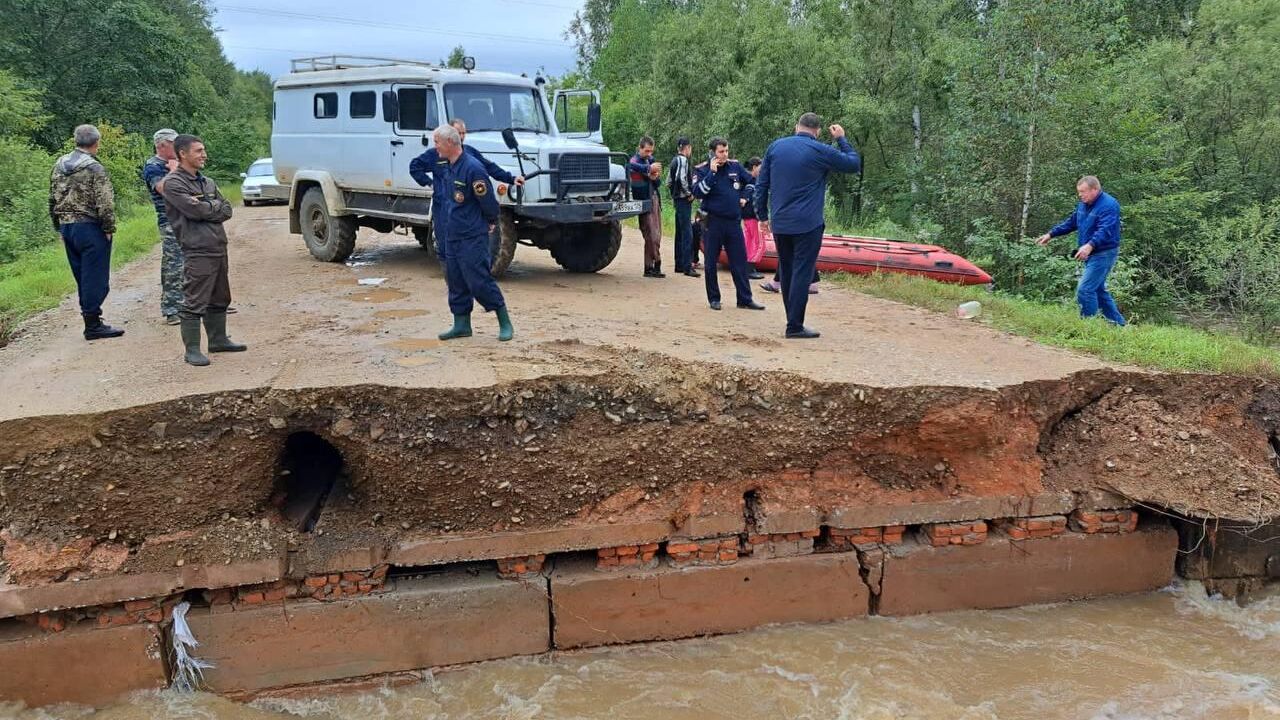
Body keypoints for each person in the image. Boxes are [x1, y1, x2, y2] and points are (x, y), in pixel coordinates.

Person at [756, 113, 861, 339]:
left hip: (781, 223)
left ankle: (791, 320)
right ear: (818, 131)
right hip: (808, 224)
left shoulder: (775, 147)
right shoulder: (821, 151)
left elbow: (761, 184)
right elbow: (853, 164)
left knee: (786, 269)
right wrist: (841, 139)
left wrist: (762, 216)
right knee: (802, 272)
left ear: (797, 127)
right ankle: (794, 326)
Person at [162, 134, 246, 366]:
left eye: (203, 150)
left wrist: (207, 207)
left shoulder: (206, 182)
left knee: (220, 297)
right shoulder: (174, 183)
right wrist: (210, 208)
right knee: (194, 299)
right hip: (197, 250)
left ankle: (218, 340)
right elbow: (193, 211)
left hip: (218, 246)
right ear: (182, 154)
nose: (204, 155)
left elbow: (227, 209)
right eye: (198, 151)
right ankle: (192, 351)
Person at [431, 124, 514, 342]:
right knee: (455, 280)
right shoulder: (448, 166)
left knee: (478, 280)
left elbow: (488, 201)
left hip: (471, 235)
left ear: (450, 143)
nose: (435, 147)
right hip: (452, 234)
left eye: (437, 142)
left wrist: (490, 221)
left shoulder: (472, 168)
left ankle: (504, 321)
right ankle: (461, 325)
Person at [48, 124, 124, 340]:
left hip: (67, 225)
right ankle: (92, 325)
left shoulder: (59, 165)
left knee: (82, 275)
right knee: (95, 277)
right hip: (90, 226)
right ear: (96, 143)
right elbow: (105, 202)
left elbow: (51, 198)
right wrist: (109, 228)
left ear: (76, 140)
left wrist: (59, 226)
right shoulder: (94, 168)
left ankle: (91, 320)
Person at [409, 118, 522, 259]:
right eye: (458, 132)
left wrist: (511, 178)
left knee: (467, 251)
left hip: (462, 209)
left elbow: (490, 167)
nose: (461, 136)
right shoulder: (436, 154)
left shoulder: (470, 153)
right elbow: (414, 167)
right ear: (449, 134)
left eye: (464, 133)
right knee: (445, 250)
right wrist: (429, 183)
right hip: (443, 208)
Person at [1036, 175, 1126, 325]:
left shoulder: (1109, 205)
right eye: (1079, 192)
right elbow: (1072, 222)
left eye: (1083, 191)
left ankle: (1088, 326)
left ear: (1095, 190)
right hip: (1091, 252)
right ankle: (1118, 325)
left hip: (1103, 253)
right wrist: (1051, 234)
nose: (1080, 195)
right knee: (1098, 290)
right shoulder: (1084, 204)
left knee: (1085, 290)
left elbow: (1105, 230)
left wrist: (1090, 245)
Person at [693, 138, 765, 312]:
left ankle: (745, 299)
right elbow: (697, 192)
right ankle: (714, 299)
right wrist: (712, 174)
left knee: (739, 261)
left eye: (726, 151)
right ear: (712, 153)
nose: (724, 155)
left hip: (733, 222)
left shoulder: (735, 166)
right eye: (720, 152)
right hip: (713, 222)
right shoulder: (701, 169)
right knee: (711, 263)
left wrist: (745, 197)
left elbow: (751, 182)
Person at [140, 129, 184, 325]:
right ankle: (172, 308)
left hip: (189, 217)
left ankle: (200, 303)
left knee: (197, 261)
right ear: (162, 145)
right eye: (173, 143)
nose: (178, 147)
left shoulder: (179, 162)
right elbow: (163, 189)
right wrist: (174, 170)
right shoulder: (153, 166)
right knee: (174, 265)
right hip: (169, 220)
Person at [629, 136, 664, 277]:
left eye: (651, 151)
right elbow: (631, 166)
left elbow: (658, 182)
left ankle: (650, 267)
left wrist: (654, 177)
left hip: (653, 198)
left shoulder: (650, 160)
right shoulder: (635, 160)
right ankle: (656, 263)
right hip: (643, 201)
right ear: (640, 148)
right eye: (647, 151)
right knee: (650, 234)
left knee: (656, 234)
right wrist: (649, 169)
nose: (649, 154)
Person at [668, 137, 698, 277]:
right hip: (683, 200)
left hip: (676, 200)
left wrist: (673, 194)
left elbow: (669, 181)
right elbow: (681, 179)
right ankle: (687, 266)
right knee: (687, 233)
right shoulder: (683, 160)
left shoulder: (674, 160)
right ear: (687, 148)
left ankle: (679, 264)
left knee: (679, 232)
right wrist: (688, 194)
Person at [741, 157, 764, 280]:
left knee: (749, 243)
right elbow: (748, 192)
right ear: (754, 167)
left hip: (746, 218)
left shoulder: (745, 179)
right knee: (759, 244)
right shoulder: (752, 181)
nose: (762, 170)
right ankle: (750, 268)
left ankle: (748, 267)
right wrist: (744, 199)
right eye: (760, 168)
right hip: (753, 218)